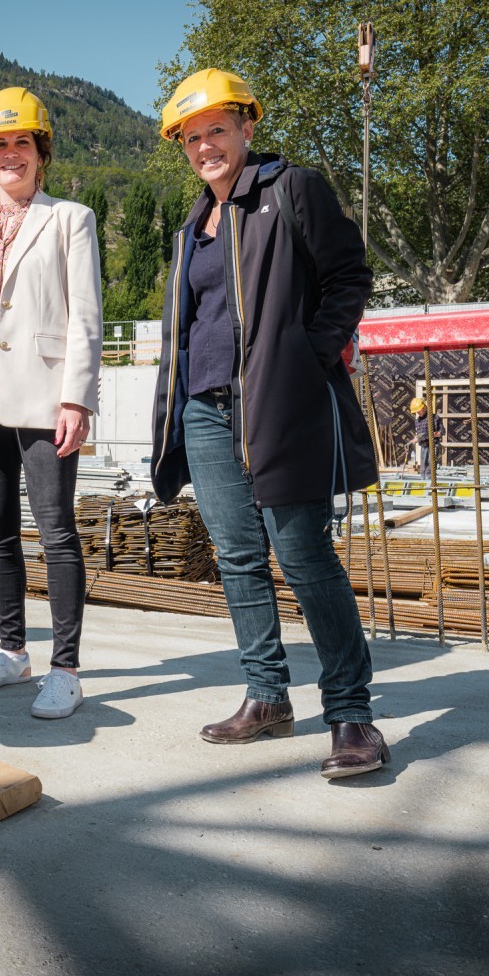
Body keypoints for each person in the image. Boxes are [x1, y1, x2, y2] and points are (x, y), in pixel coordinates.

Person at [148, 68, 388, 779]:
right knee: (239, 556)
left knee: (304, 554)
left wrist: (307, 357)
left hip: (280, 405)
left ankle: (350, 712)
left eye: (216, 129)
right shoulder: (192, 227)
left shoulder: (291, 191)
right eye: (192, 137)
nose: (204, 146)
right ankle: (266, 696)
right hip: (204, 409)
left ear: (247, 127)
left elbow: (350, 275)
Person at [0, 87, 103, 720]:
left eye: (22, 144)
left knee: (56, 530)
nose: (11, 155)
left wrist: (76, 399)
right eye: (0, 145)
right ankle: (12, 652)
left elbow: (85, 315)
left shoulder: (69, 220)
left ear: (41, 154)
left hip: (43, 398)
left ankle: (65, 668)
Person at [408, 395, 431, 476]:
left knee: (429, 469)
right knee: (423, 469)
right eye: (416, 411)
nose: (418, 413)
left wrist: (421, 437)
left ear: (424, 407)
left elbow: (436, 433)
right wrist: (412, 441)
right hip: (424, 446)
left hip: (431, 446)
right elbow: (419, 434)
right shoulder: (418, 421)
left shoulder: (432, 418)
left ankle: (429, 486)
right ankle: (425, 483)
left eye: (419, 410)